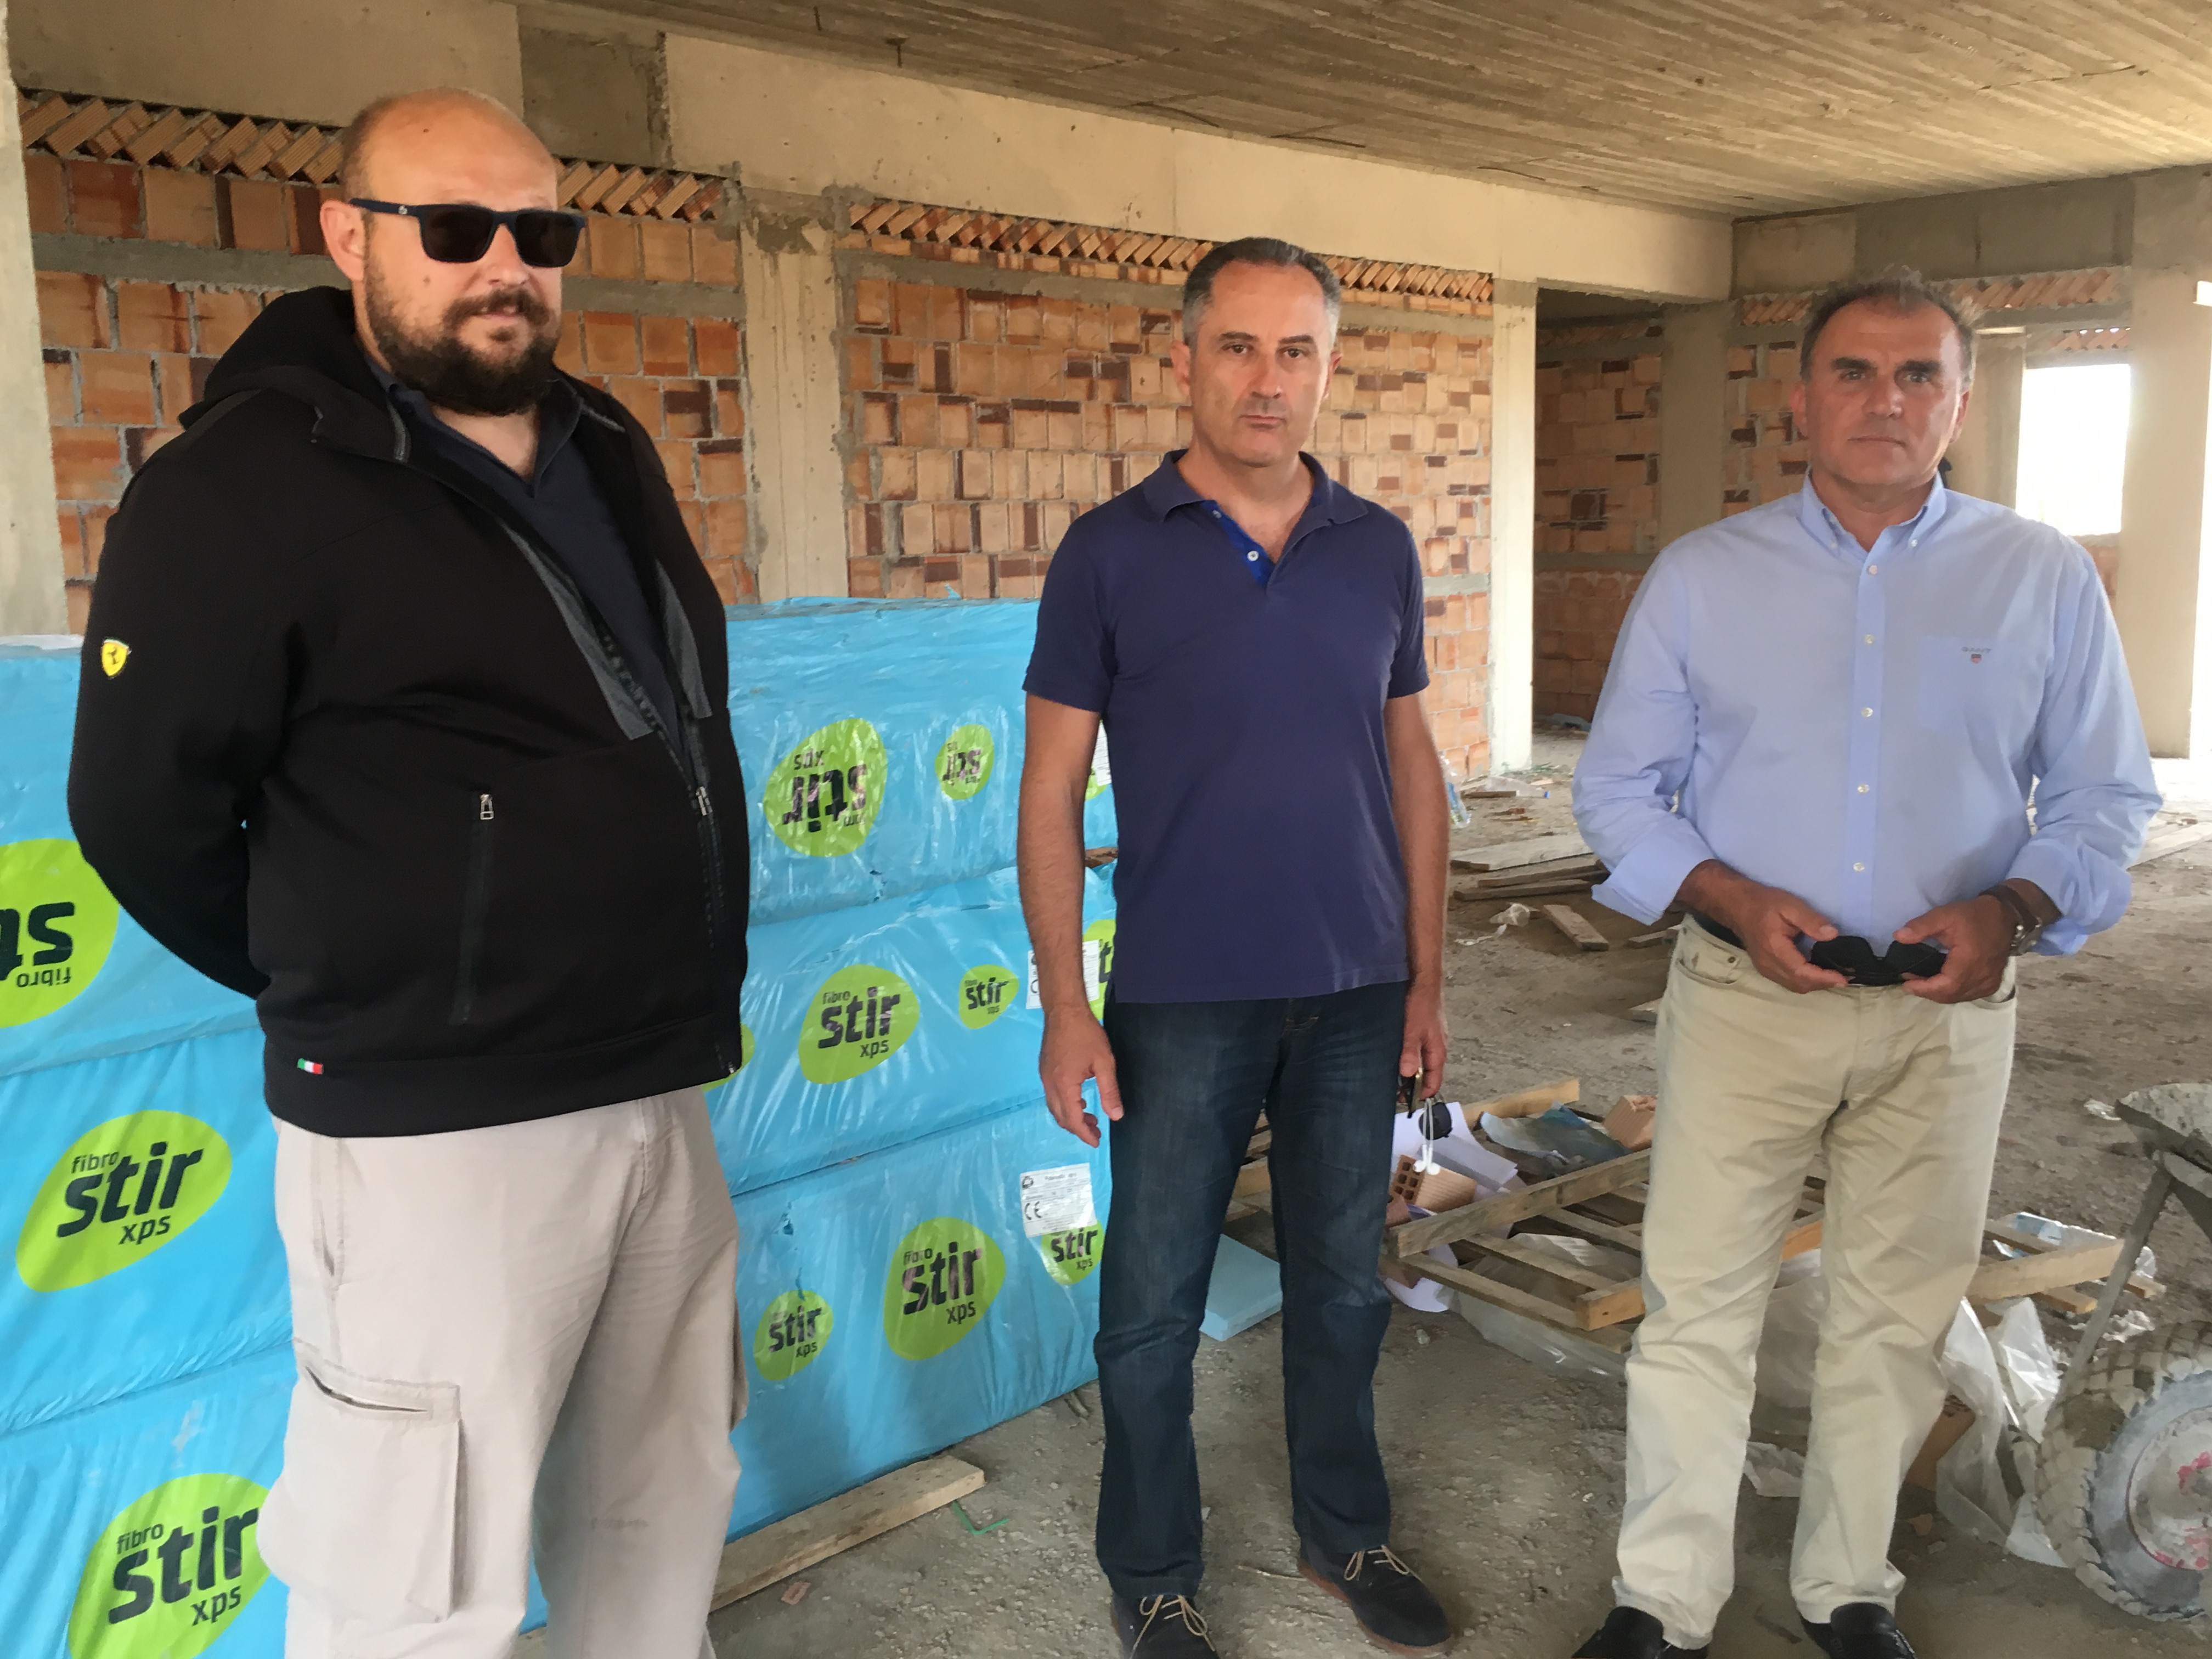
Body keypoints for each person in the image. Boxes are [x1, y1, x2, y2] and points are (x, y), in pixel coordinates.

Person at [67, 88, 750, 1659]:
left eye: (540, 231)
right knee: (415, 1586)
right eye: (454, 228)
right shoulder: (245, 484)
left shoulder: (606, 443)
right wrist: (378, 972)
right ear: (349, 235)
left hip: (655, 1087)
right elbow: (141, 813)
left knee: (658, 1513)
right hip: (433, 1130)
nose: (504, 264)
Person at [1569, 269, 2161, 1659]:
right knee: (1699, 1305)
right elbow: (1618, 793)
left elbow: (2105, 798)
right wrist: (1724, 894)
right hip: (1746, 1001)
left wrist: (2016, 905)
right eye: (1853, 372)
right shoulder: (1705, 578)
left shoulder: (2041, 576)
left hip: (1947, 1016)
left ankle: (1848, 1590)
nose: (1884, 400)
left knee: (1894, 1315)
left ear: (1960, 400)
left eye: (1917, 375)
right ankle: (1662, 1602)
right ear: (1800, 399)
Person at [1018, 236, 1455, 1658]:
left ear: (1328, 369)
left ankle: (1346, 1534)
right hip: (1180, 998)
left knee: (1343, 1287)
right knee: (1152, 1310)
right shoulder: (1109, 553)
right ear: (1185, 359)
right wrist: (1064, 1009)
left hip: (1356, 992)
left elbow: (1411, 765)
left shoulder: (1377, 548)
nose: (1269, 380)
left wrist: (1428, 978)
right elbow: (1049, 791)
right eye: (1239, 347)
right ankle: (1153, 1577)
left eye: (1297, 351)